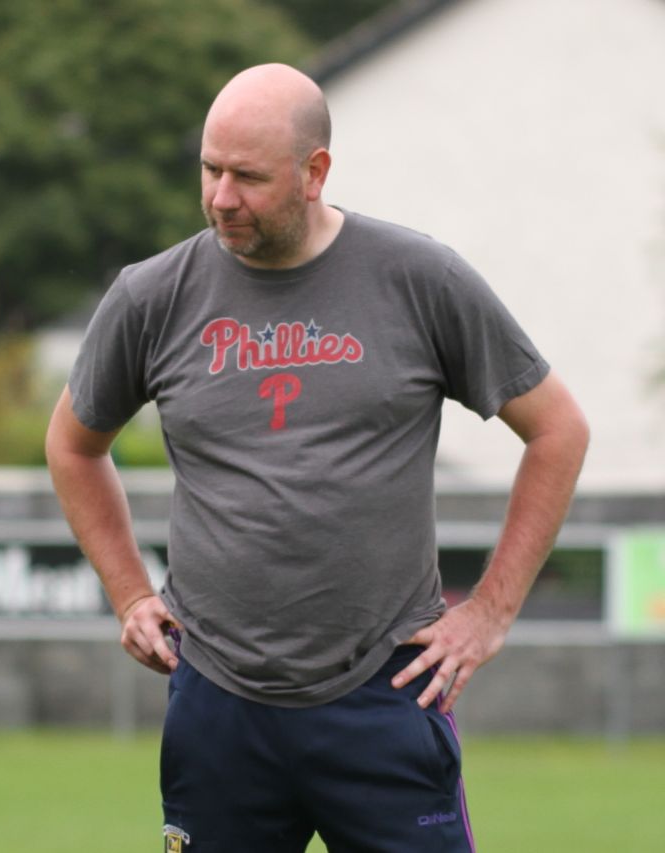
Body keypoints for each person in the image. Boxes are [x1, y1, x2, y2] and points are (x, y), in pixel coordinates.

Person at [45, 64, 589, 852]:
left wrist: (490, 613)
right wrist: (130, 592)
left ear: (315, 171)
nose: (222, 197)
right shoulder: (151, 296)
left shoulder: (418, 278)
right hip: (218, 703)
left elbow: (558, 430)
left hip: (385, 692)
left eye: (249, 177)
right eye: (210, 170)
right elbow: (72, 442)